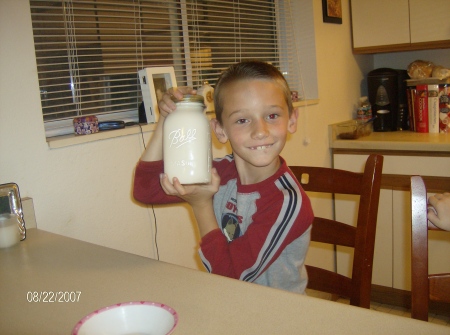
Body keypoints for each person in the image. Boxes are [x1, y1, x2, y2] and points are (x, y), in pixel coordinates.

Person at [133, 60, 314, 294]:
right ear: (220, 130)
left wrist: (201, 205)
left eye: (272, 115)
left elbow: (231, 277)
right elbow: (145, 189)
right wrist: (166, 119)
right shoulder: (222, 172)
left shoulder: (287, 202)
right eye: (242, 120)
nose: (260, 131)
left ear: (291, 120)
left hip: (275, 317)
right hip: (230, 303)